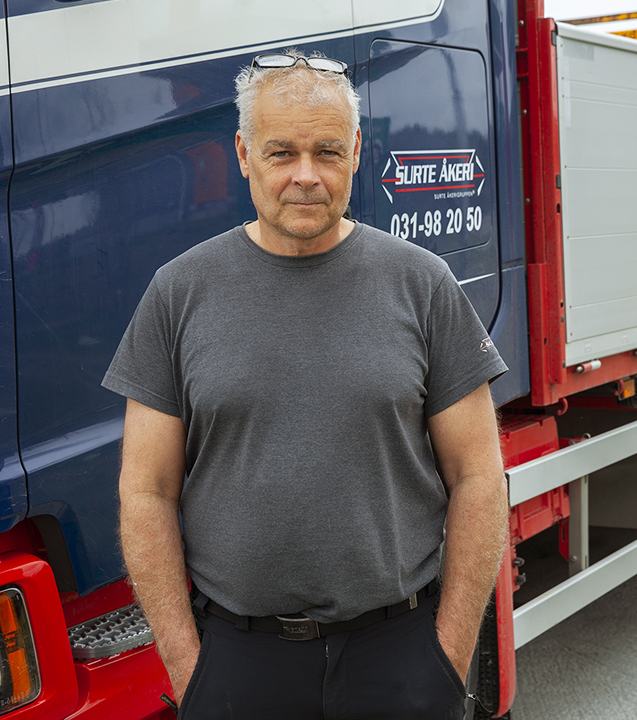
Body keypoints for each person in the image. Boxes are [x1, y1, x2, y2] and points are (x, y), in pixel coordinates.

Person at [104, 51, 509, 719]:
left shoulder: (423, 285)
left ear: (355, 151)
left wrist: (447, 654)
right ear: (242, 153)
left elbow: (478, 475)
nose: (305, 176)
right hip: (239, 664)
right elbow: (145, 490)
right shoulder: (178, 294)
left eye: (326, 151)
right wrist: (188, 667)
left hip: (399, 656)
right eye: (280, 152)